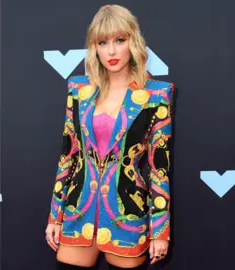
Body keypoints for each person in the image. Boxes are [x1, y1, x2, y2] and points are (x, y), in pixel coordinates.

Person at [45, 5, 173, 270]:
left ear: (133, 42)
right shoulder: (79, 90)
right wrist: (55, 216)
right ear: (94, 48)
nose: (111, 51)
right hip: (77, 212)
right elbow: (67, 156)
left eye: (119, 40)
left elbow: (159, 168)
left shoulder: (157, 96)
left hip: (127, 215)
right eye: (102, 42)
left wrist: (160, 231)